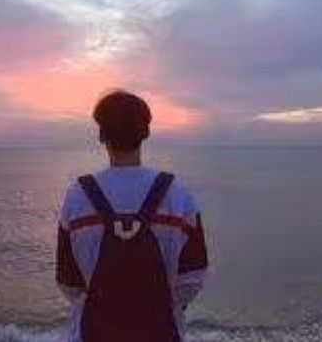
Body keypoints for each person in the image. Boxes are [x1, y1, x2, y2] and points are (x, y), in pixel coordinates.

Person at [56, 90, 208, 342]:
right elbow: (193, 278)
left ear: (101, 135)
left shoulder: (77, 196)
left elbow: (68, 282)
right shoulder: (178, 195)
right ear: (146, 132)